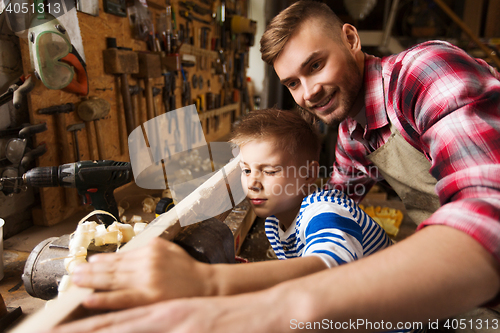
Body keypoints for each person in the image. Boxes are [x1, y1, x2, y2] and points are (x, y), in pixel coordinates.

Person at [45, 1, 500, 332]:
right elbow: (332, 207)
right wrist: (258, 268)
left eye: (316, 65)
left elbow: (489, 215)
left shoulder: (421, 72)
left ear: (351, 37)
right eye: (293, 83)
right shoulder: (352, 133)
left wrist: (217, 285)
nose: (309, 93)